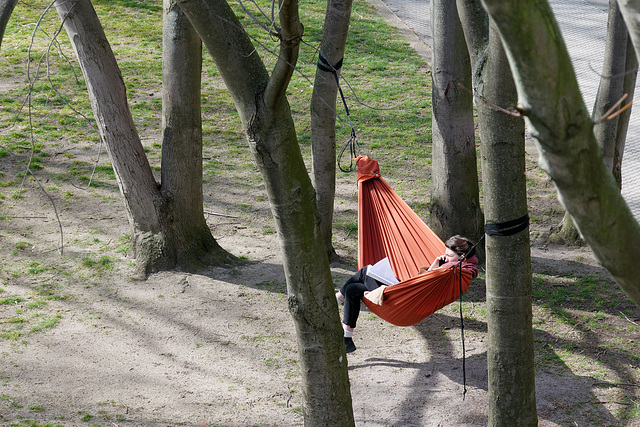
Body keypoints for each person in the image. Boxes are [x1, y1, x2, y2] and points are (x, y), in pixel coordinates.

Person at [336, 235, 479, 354]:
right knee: (353, 289)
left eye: (449, 255)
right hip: (407, 298)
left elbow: (426, 281)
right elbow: (425, 282)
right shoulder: (464, 269)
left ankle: (336, 300)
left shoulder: (450, 271)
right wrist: (436, 262)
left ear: (462, 257)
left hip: (400, 303)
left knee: (365, 270)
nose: (445, 257)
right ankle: (347, 339)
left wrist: (438, 266)